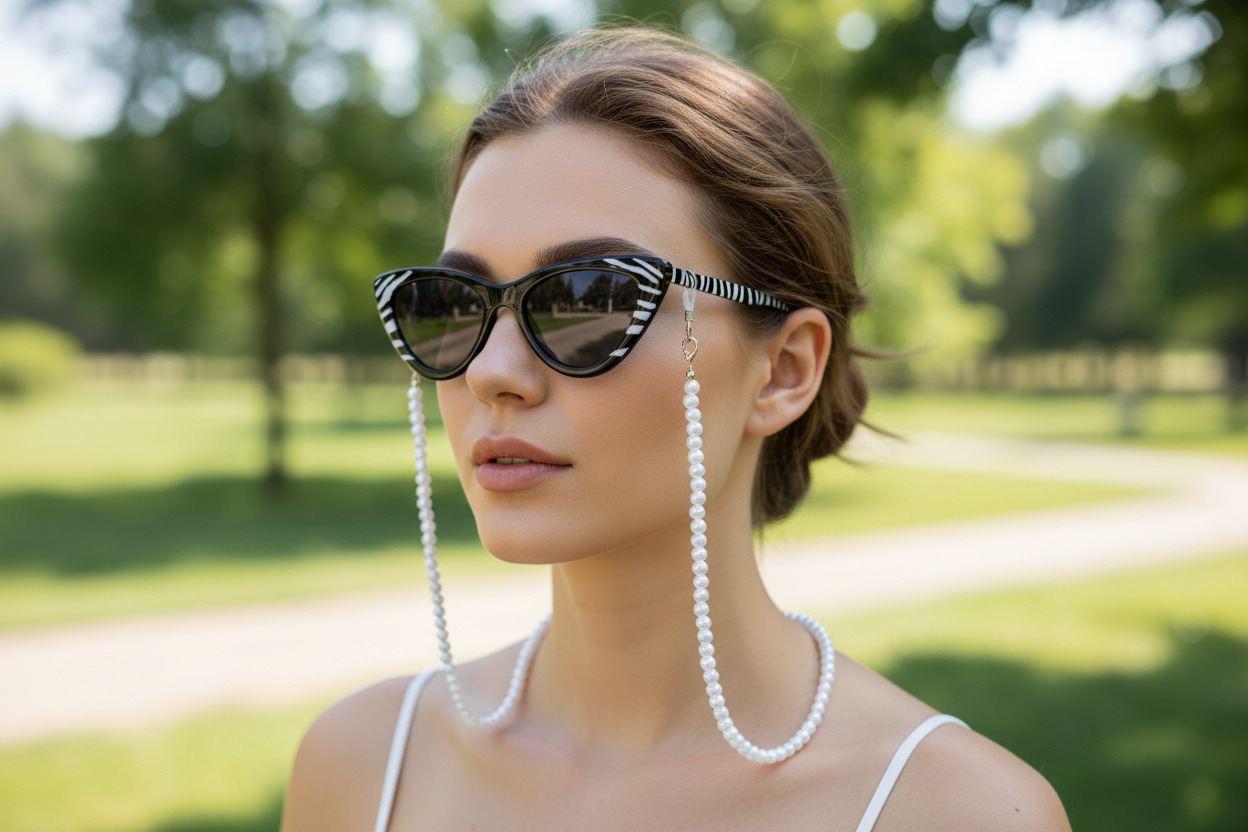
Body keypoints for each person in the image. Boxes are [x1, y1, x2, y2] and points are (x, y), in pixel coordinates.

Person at [281, 27, 1070, 831]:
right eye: (453, 306)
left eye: (589, 300)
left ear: (784, 370)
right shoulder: (363, 765)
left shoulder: (955, 811)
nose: (492, 372)